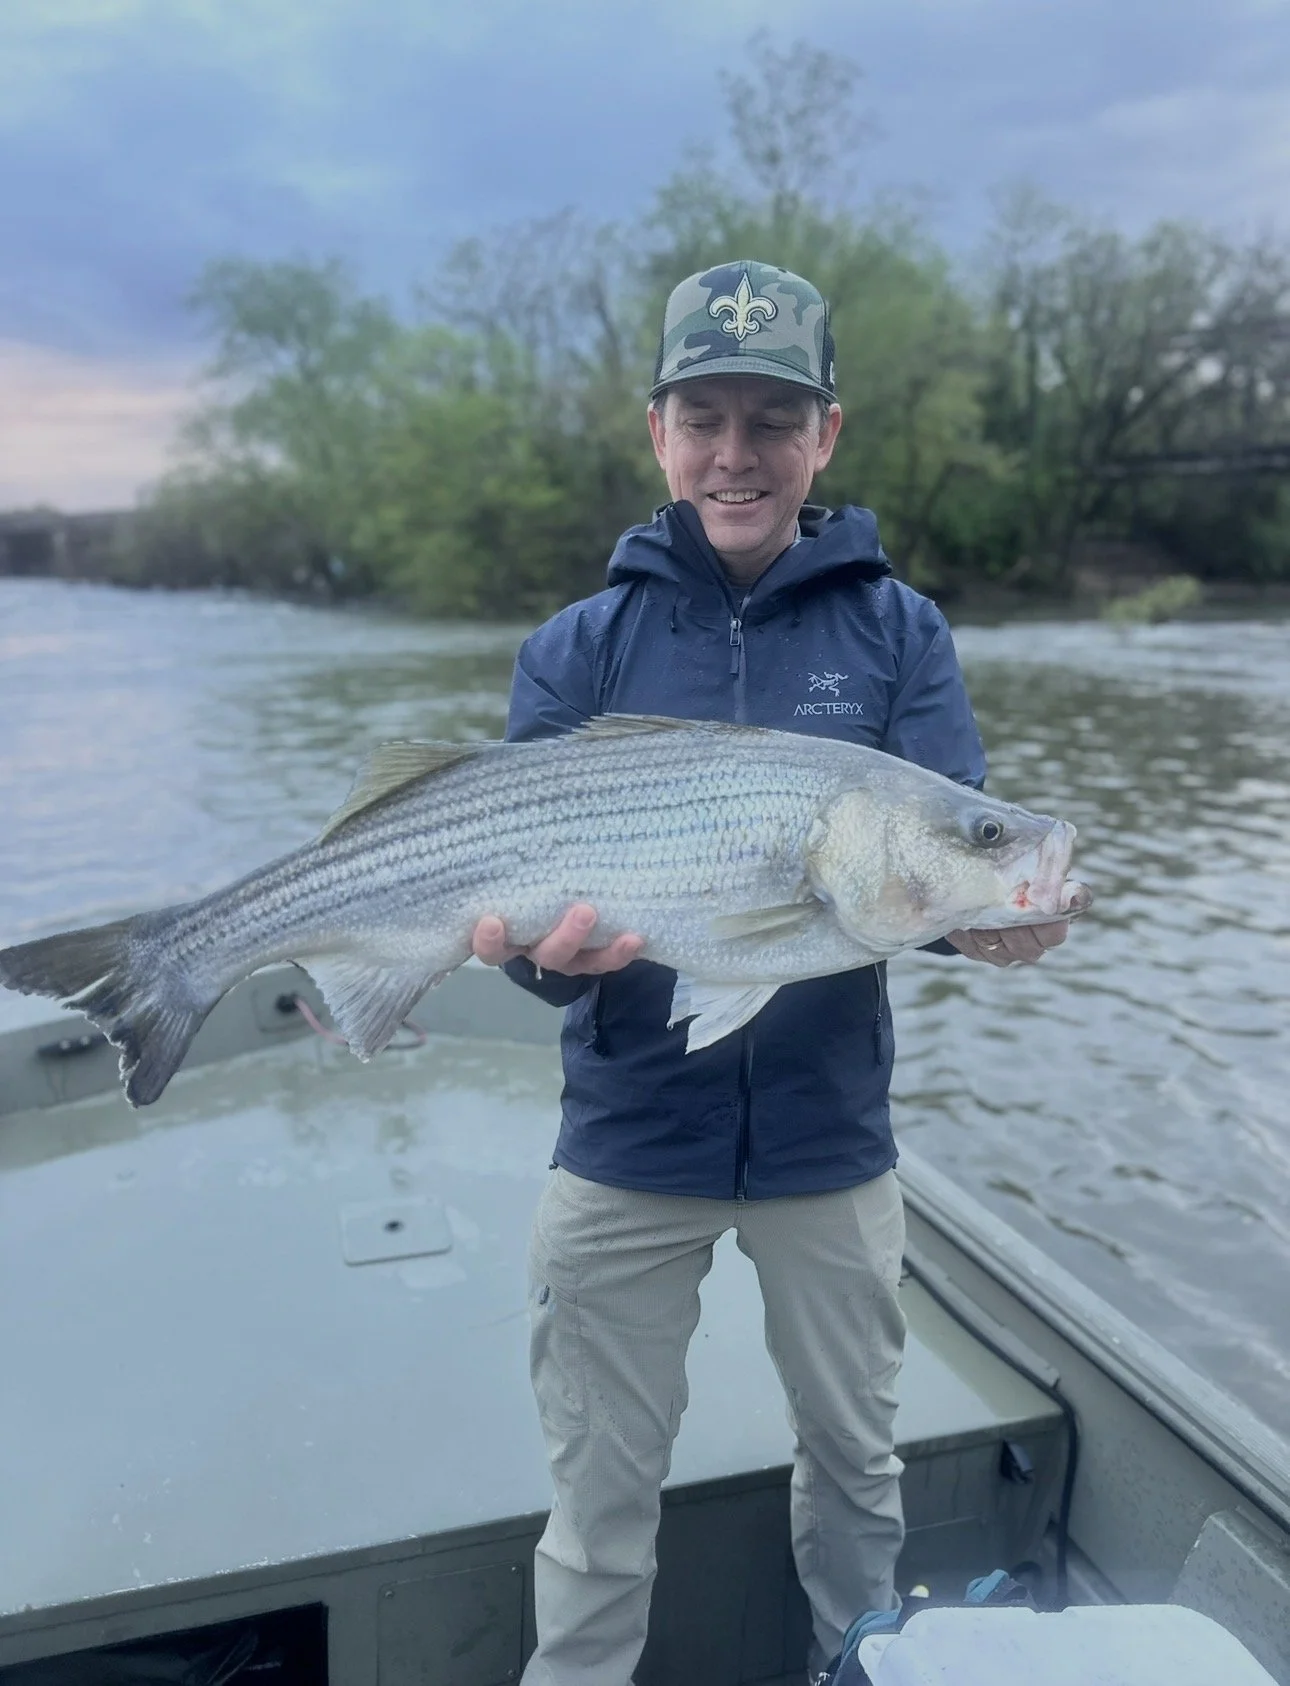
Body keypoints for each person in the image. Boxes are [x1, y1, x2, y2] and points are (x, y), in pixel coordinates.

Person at [471, 261, 1070, 1686]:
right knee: (597, 1502)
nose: (734, 454)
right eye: (704, 418)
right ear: (657, 432)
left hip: (828, 1144)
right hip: (626, 1142)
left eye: (773, 420)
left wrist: (993, 916)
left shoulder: (901, 634)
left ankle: (853, 1668)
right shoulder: (575, 650)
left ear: (827, 435)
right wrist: (539, 962)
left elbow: (940, 867)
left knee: (860, 1474)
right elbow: (537, 957)